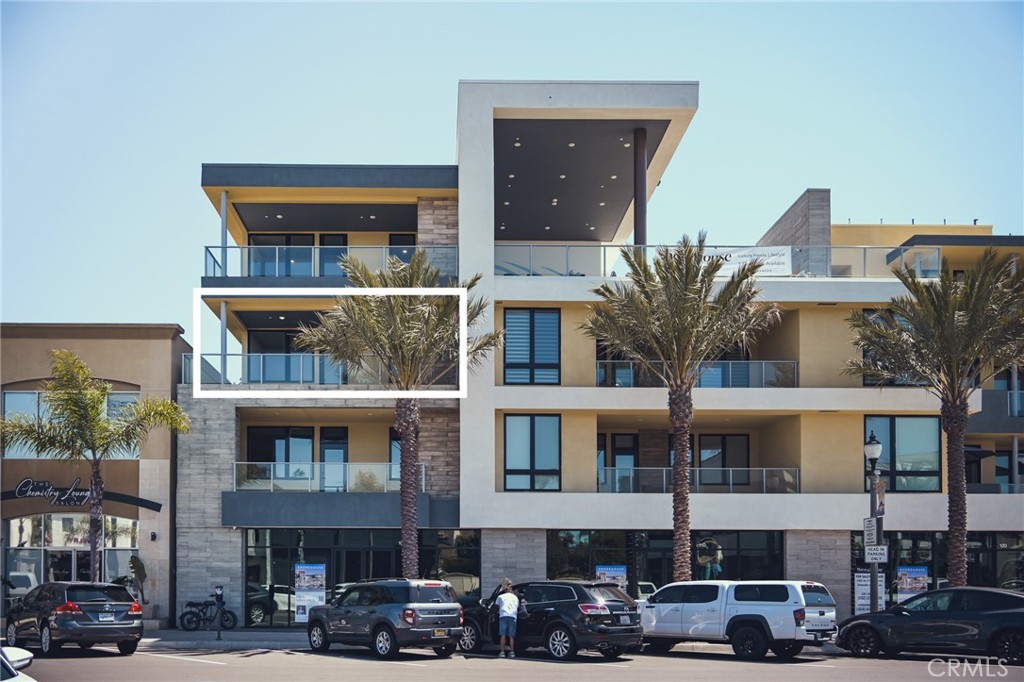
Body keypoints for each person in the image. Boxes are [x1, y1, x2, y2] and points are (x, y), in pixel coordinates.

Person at [495, 577, 519, 658]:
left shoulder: (501, 597)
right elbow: (517, 607)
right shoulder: (515, 598)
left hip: (503, 616)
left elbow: (496, 607)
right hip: (513, 617)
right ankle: (512, 652)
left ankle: (502, 652)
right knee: (511, 636)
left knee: (503, 635)